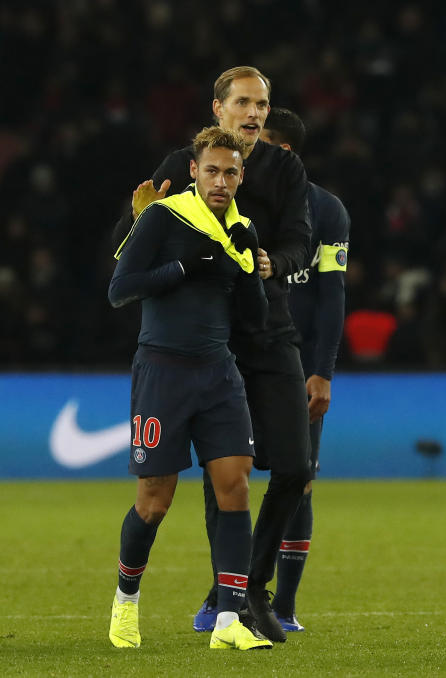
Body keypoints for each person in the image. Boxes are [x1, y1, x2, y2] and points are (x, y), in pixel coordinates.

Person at [114, 66, 312, 643]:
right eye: (245, 103)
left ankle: (245, 593)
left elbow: (303, 240)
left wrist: (266, 263)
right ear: (218, 109)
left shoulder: (283, 173)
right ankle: (216, 600)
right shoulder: (178, 174)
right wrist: (144, 224)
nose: (255, 114)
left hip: (260, 330)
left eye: (263, 105)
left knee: (289, 469)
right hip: (191, 347)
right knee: (184, 490)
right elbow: (125, 267)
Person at [107, 126, 271, 650]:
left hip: (219, 372)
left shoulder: (241, 228)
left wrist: (249, 269)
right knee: (155, 502)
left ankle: (228, 622)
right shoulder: (163, 216)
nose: (220, 181)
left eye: (230, 172)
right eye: (211, 171)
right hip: (163, 370)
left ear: (241, 176)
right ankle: (126, 602)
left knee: (236, 488)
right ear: (194, 172)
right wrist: (181, 267)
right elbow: (120, 289)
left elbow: (255, 321)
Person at [259, 107, 351, 632]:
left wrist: (323, 369)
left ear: (284, 152)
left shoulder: (327, 212)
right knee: (230, 478)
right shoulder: (245, 202)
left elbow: (332, 294)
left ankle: (285, 606)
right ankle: (230, 593)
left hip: (295, 364)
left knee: (300, 481)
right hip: (246, 357)